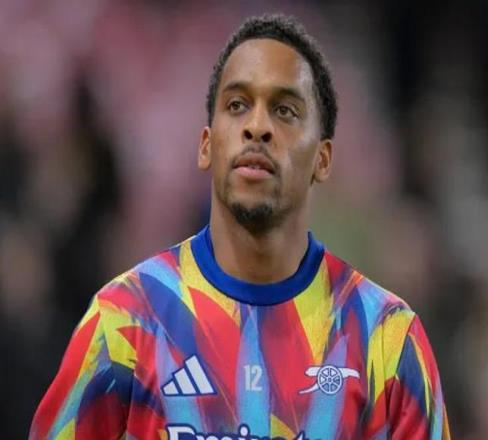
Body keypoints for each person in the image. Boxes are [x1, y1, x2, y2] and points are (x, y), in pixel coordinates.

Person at [30, 14, 450, 440]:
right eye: (236, 105)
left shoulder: (387, 338)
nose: (257, 127)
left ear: (322, 160)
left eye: (285, 111)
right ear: (206, 146)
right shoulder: (125, 319)